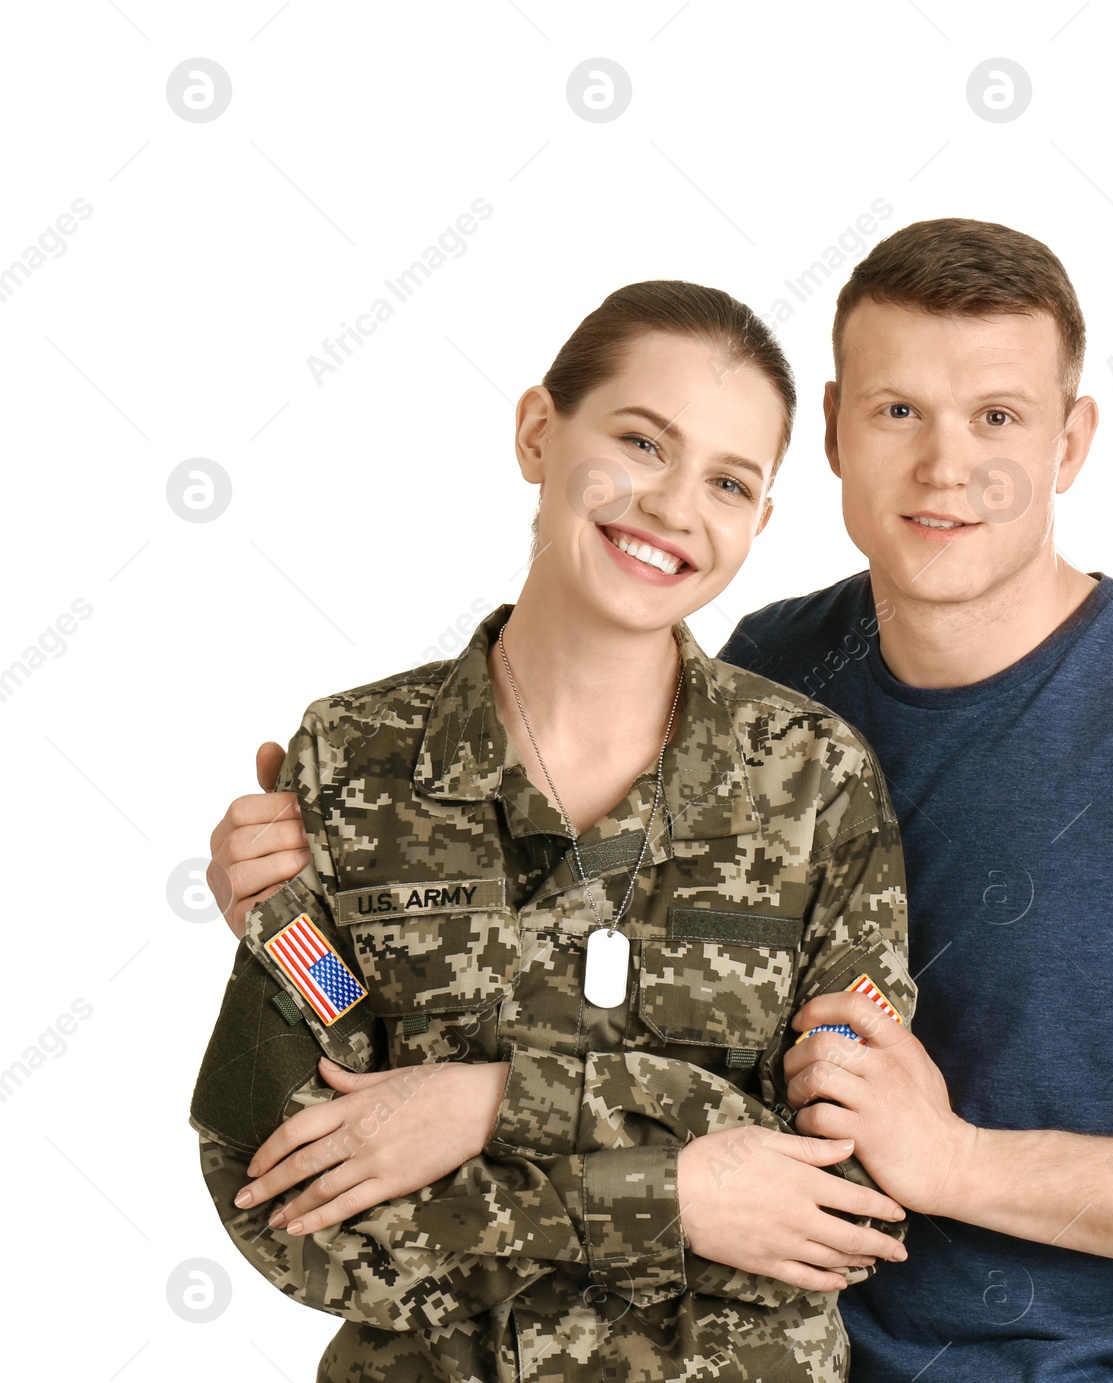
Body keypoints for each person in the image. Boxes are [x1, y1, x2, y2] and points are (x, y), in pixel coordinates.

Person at [209, 220, 1113, 1383]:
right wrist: (297, 921)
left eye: (998, 416)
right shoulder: (777, 675)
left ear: (1071, 442)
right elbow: (514, 1034)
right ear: (832, 429)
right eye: (898, 411)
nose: (945, 466)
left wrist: (957, 1164)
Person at [189, 280, 919, 1383]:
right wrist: (687, 1188)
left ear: (759, 522)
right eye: (640, 441)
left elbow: (842, 1194)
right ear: (539, 431)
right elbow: (282, 1194)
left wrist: (484, 1107)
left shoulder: (816, 783)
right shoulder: (352, 760)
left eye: (728, 481)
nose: (676, 507)